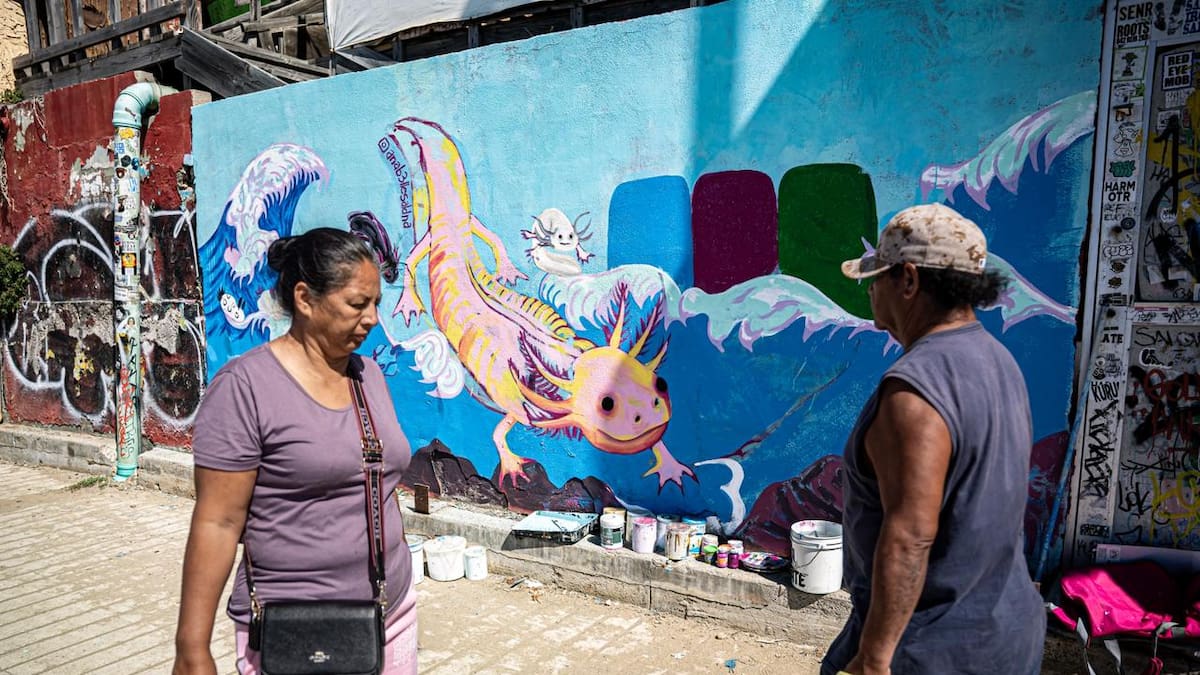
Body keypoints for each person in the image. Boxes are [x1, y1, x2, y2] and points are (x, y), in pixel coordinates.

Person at [173, 227, 417, 675]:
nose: (372, 319)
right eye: (357, 304)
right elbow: (218, 522)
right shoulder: (245, 388)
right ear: (305, 299)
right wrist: (192, 649)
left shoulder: (368, 375)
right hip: (294, 628)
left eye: (376, 304)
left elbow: (376, 480)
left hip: (389, 612)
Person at [821, 204, 1045, 675]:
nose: (870, 291)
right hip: (1006, 632)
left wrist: (875, 658)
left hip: (932, 648)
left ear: (908, 280)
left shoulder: (914, 391)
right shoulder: (999, 361)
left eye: (875, 278)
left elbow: (910, 536)